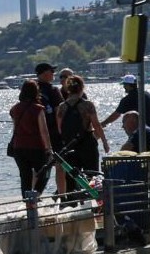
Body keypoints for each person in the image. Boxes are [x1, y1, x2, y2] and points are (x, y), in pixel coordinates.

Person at [55, 74, 111, 190]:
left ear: (68, 89)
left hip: (70, 145)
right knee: (93, 175)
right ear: (82, 88)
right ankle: (94, 200)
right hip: (87, 143)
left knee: (71, 176)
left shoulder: (61, 107)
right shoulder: (87, 105)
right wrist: (104, 142)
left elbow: (60, 128)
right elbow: (96, 125)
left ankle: (72, 202)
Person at [8, 79, 52, 208]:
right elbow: (44, 131)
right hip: (36, 147)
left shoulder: (15, 109)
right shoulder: (38, 109)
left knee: (25, 176)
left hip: (19, 147)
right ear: (35, 92)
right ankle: (35, 196)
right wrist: (49, 148)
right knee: (44, 172)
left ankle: (27, 203)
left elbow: (15, 127)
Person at [34, 62, 66, 195]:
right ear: (45, 73)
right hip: (54, 134)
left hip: (36, 135)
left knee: (38, 168)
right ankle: (63, 195)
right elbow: (59, 113)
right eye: (51, 72)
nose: (54, 74)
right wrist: (62, 132)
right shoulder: (53, 91)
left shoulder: (31, 89)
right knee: (60, 166)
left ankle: (33, 195)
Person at [104, 74, 150, 141]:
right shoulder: (147, 94)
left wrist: (104, 123)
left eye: (125, 85)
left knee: (134, 149)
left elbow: (116, 114)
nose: (124, 87)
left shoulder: (127, 100)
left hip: (138, 132)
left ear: (129, 85)